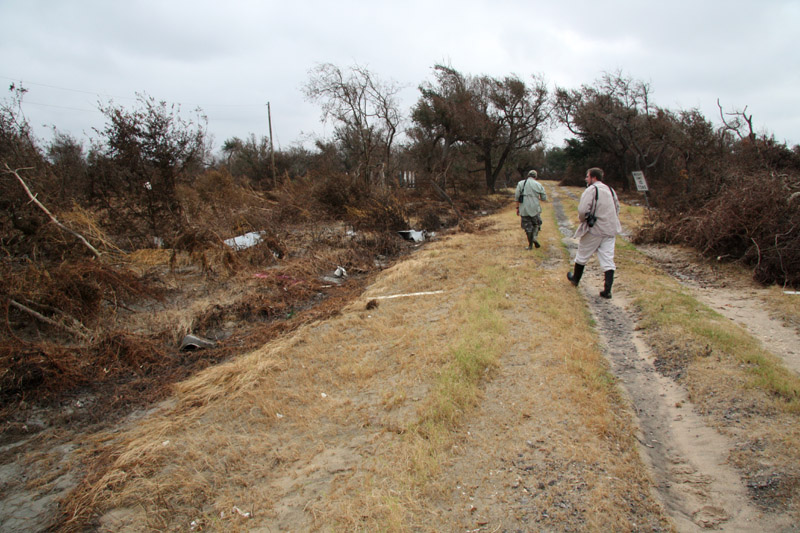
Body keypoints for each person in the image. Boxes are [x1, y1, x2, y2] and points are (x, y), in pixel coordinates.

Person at [567, 167, 622, 298]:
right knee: (608, 259)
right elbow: (617, 208)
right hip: (610, 230)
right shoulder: (610, 190)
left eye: (587, 176)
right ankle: (607, 290)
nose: (586, 179)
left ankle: (575, 279)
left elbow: (582, 210)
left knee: (582, 254)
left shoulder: (591, 190)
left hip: (594, 230)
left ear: (593, 177)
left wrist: (584, 220)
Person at [515, 169, 547, 250]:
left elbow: (517, 197)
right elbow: (544, 198)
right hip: (535, 208)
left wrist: (517, 208)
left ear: (528, 175)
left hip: (524, 208)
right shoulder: (538, 185)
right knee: (536, 224)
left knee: (527, 227)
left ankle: (530, 246)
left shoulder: (521, 183)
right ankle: (535, 238)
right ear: (535, 177)